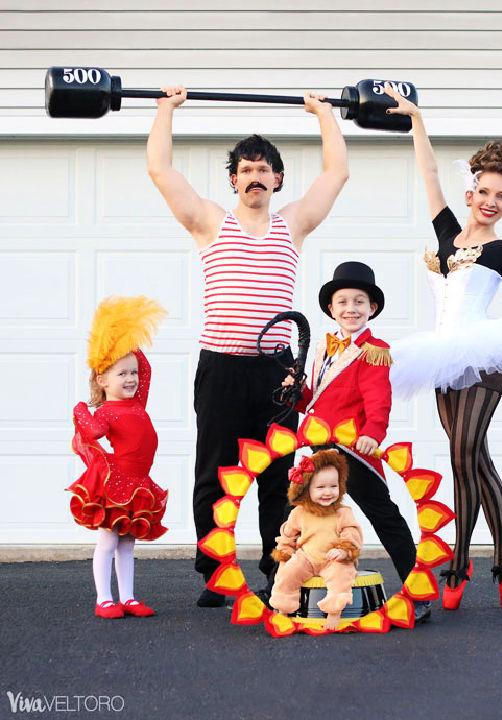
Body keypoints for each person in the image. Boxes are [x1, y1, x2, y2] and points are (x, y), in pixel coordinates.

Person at [147, 85, 349, 607]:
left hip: (276, 374)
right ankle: (216, 572)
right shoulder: (212, 223)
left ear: (277, 179)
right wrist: (166, 110)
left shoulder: (292, 225)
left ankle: (273, 570)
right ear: (234, 179)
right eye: (246, 169)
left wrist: (324, 115)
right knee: (215, 472)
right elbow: (161, 173)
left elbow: (336, 175)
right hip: (222, 367)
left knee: (277, 475)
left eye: (264, 169)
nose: (255, 177)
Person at [383, 86, 502, 611]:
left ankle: (461, 564)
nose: (491, 202)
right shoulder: (445, 233)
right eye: (485, 191)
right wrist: (418, 119)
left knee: (465, 452)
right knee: (470, 458)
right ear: (471, 192)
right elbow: (427, 175)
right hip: (441, 355)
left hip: (484, 357)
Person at [282, 261, 430, 623]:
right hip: (319, 448)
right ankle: (287, 587)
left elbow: (378, 400)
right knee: (307, 516)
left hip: (353, 450)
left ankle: (419, 591)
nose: (351, 309)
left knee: (384, 515)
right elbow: (314, 401)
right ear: (331, 309)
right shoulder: (323, 348)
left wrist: (372, 434)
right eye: (343, 302)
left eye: (359, 302)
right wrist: (294, 393)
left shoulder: (375, 350)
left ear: (372, 308)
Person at [68, 296, 168, 619]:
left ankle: (128, 597)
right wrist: (81, 409)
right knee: (109, 543)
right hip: (116, 484)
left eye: (132, 373)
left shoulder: (137, 403)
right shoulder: (107, 412)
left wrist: (124, 337)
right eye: (122, 373)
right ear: (102, 379)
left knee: (128, 545)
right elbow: (95, 433)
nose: (131, 379)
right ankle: (104, 599)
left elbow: (147, 368)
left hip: (139, 484)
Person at [270, 450, 363, 631]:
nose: (327, 492)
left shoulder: (343, 513)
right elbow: (288, 535)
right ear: (306, 490)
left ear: (340, 486)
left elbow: (352, 533)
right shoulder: (299, 513)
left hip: (333, 559)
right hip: (307, 557)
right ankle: (283, 609)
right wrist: (285, 553)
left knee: (342, 576)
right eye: (320, 488)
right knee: (287, 574)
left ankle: (334, 612)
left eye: (333, 486)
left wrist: (344, 550)